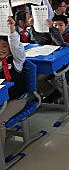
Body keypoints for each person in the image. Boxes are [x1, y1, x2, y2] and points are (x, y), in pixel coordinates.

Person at [30, 14, 69, 108]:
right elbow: (40, 41)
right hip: (52, 64)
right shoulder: (50, 35)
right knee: (38, 78)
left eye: (60, 25)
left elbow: (61, 43)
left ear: (67, 25)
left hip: (68, 64)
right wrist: (34, 27)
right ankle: (52, 93)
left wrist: (52, 30)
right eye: (55, 25)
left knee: (56, 79)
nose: (57, 27)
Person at [0, 16, 27, 149]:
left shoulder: (16, 61)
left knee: (0, 121)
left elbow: (17, 48)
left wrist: (11, 30)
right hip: (1, 99)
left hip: (17, 99)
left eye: (4, 46)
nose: (1, 50)